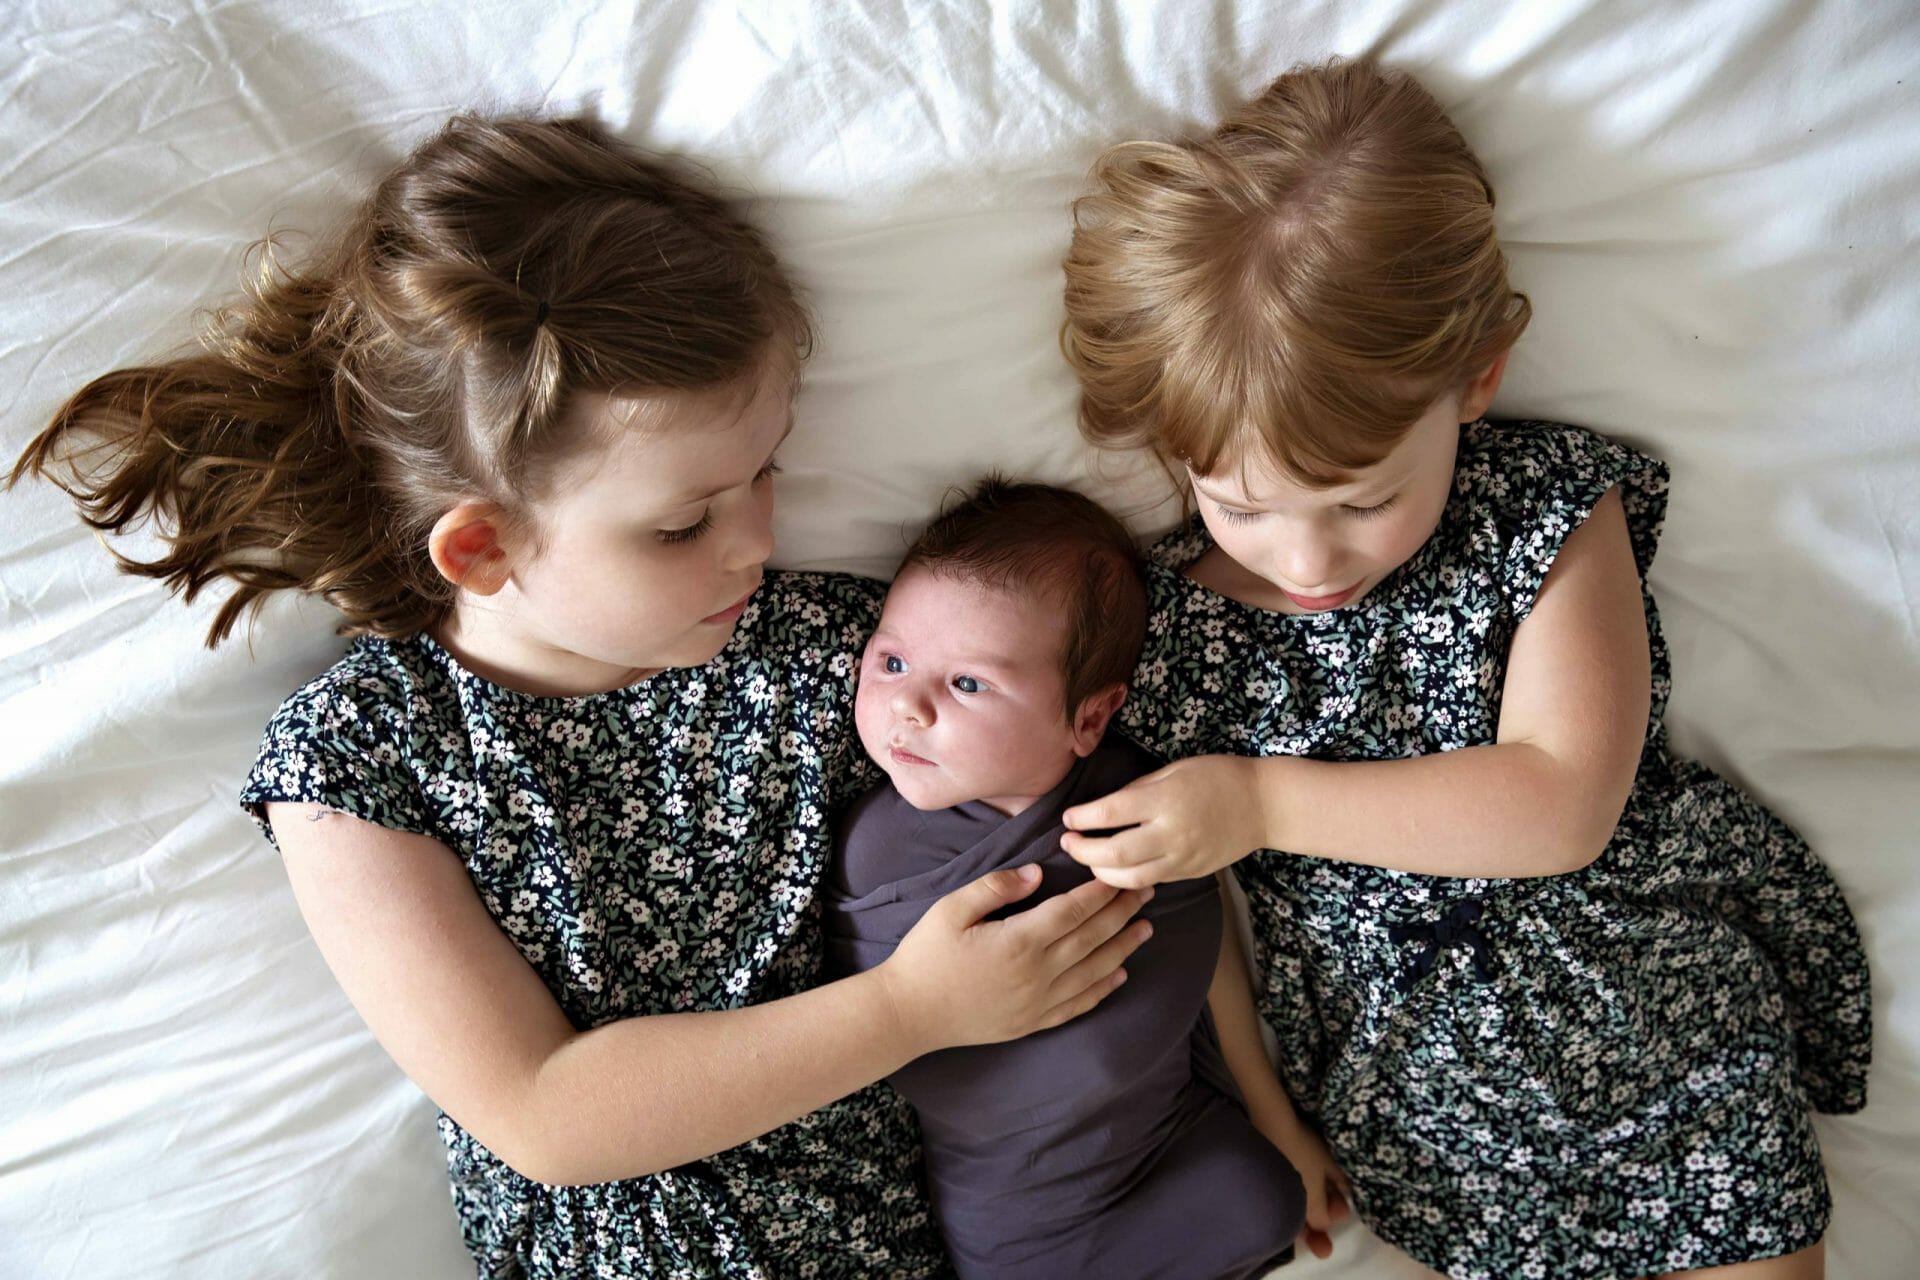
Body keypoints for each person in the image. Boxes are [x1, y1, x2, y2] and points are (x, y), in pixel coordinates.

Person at [10, 113, 1155, 1279]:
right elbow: (545, 1114)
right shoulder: (360, 759)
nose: (756, 540)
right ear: (483, 548)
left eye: (766, 470)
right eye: (682, 523)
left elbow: (1076, 717)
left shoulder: (836, 654)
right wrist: (913, 1008)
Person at [1056, 58, 1872, 1280]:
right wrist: (1267, 1112)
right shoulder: (1171, 629)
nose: (1308, 559)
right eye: (1241, 506)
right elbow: (1183, 903)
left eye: (1363, 500)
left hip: (1659, 1028)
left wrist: (1260, 799)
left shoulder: (1538, 518)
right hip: (1418, 1106)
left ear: (1474, 378)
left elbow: (1562, 802)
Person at [822, 478, 1337, 1279]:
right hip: (1027, 1217)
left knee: (1261, 1194)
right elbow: (914, 1057)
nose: (907, 707)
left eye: (967, 683)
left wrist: (1274, 1114)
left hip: (1168, 1131)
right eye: (892, 661)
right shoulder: (880, 851)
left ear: (1090, 717)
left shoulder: (1142, 800)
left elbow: (1195, 948)